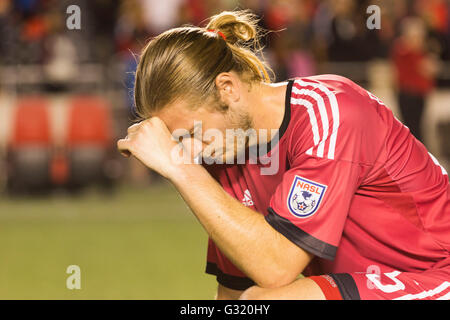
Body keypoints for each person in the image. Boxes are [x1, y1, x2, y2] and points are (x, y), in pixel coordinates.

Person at [117, 10, 450, 300]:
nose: (190, 150)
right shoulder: (225, 155)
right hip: (368, 287)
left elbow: (276, 267)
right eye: (178, 143)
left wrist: (179, 168)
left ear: (227, 88)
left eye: (191, 133)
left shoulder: (331, 113)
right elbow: (234, 291)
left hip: (436, 275)